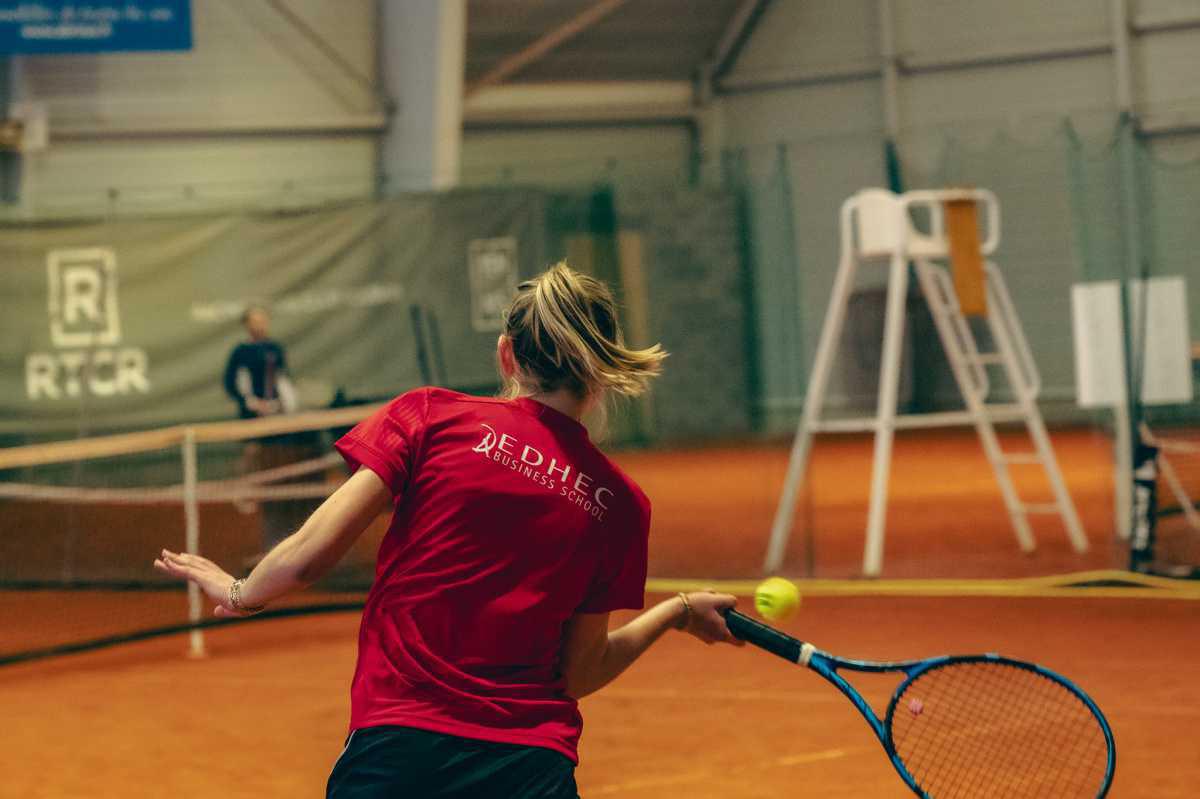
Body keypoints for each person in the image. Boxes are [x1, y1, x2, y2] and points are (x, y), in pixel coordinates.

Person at [156, 263, 742, 799]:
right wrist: (676, 612)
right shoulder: (621, 505)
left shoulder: (431, 416)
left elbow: (310, 554)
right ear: (600, 373)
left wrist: (239, 592)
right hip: (530, 770)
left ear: (506, 355)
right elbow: (579, 672)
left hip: (399, 752)